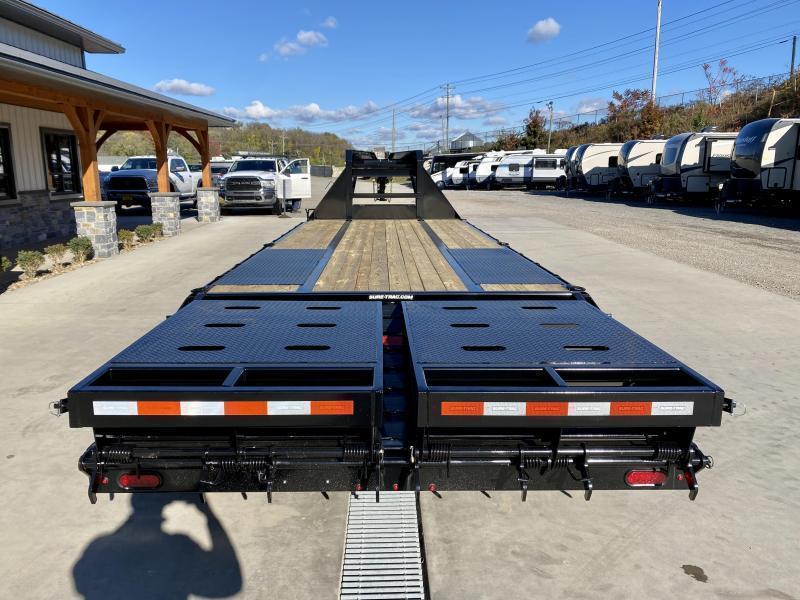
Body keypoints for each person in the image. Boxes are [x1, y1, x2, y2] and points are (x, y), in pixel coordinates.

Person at [73, 494, 242, 600]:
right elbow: (230, 581)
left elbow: (81, 580)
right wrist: (208, 514)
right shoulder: (177, 550)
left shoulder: (99, 548)